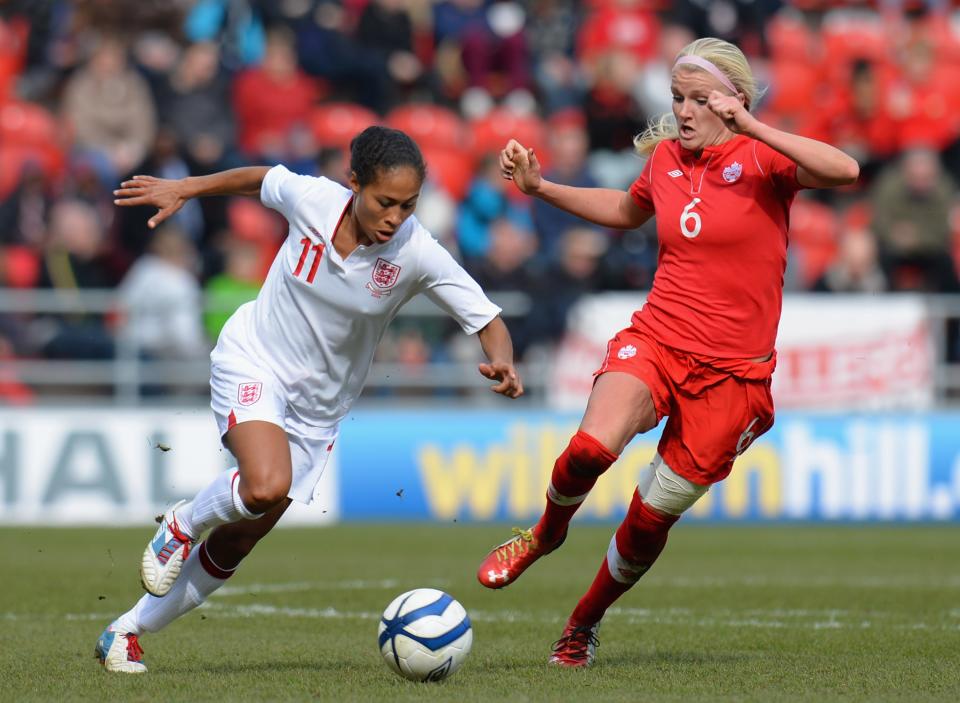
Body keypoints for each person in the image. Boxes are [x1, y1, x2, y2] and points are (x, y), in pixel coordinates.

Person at [476, 37, 859, 667]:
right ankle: (544, 533)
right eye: (676, 97)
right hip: (657, 339)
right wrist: (541, 188)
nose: (682, 110)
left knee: (649, 522)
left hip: (733, 378)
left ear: (731, 99)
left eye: (698, 98)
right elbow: (628, 211)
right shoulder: (664, 161)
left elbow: (845, 171)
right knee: (589, 449)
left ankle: (581, 624)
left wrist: (754, 125)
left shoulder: (763, 158)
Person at [95, 126, 524, 673]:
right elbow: (260, 179)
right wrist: (186, 188)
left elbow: (486, 317)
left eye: (408, 204)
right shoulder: (315, 200)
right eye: (384, 201)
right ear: (354, 185)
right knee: (265, 484)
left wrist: (503, 360)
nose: (395, 216)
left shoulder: (417, 251)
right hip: (254, 358)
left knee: (240, 539)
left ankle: (124, 632)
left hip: (318, 412)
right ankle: (181, 523)